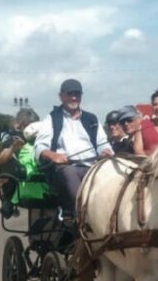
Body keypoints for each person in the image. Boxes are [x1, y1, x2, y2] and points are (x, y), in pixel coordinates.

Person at [33, 79, 112, 214]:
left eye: (77, 94)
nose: (74, 97)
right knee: (69, 172)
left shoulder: (92, 119)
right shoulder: (52, 118)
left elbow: (102, 143)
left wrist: (106, 151)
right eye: (70, 94)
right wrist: (54, 156)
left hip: (92, 166)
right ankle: (84, 214)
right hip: (66, 168)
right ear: (61, 96)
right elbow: (39, 147)